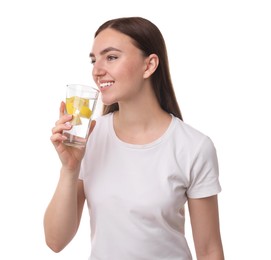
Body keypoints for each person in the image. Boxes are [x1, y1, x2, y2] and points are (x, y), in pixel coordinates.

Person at [44, 16, 224, 260]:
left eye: (111, 57)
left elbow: (210, 251)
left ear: (149, 65)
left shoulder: (193, 147)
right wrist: (70, 168)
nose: (97, 70)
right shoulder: (90, 138)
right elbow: (55, 241)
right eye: (93, 60)